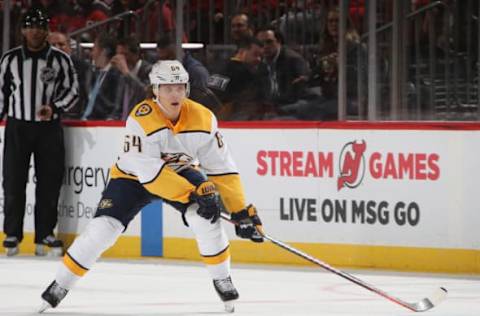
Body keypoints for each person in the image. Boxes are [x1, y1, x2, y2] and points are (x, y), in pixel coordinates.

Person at [39, 60, 264, 313]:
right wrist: (194, 192)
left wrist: (241, 211)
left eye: (180, 87)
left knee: (207, 218)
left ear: (187, 89)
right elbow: (151, 176)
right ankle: (61, 283)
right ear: (155, 90)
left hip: (180, 173)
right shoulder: (141, 119)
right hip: (132, 178)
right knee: (102, 230)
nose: (174, 93)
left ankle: (222, 277)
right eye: (167, 88)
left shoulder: (204, 118)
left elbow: (223, 169)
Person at [0, 9, 79, 256]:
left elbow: (73, 92)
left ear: (46, 30)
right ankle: (12, 234)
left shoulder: (60, 60)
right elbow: (1, 93)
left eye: (40, 26)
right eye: (30, 26)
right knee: (13, 180)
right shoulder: (10, 59)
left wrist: (54, 107)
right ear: (23, 30)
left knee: (49, 182)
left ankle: (45, 233)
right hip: (17, 126)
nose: (35, 30)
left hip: (49, 129)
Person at [208, 36, 271, 120]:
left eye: (261, 56)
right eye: (255, 54)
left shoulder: (218, 65)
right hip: (231, 118)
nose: (258, 59)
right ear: (242, 51)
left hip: (209, 115)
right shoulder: (245, 73)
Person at [48, 31, 93, 119]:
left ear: (69, 47)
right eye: (53, 45)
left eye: (61, 44)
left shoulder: (83, 67)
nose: (57, 48)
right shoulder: (41, 67)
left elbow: (87, 95)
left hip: (75, 118)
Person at [81, 33, 124, 120]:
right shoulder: (93, 73)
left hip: (104, 123)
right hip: (86, 120)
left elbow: (114, 106)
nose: (92, 53)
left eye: (94, 49)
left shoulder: (116, 75)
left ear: (104, 51)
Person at [112, 36, 152, 120]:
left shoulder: (149, 70)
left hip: (142, 120)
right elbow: (117, 105)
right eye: (118, 54)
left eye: (124, 54)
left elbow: (145, 94)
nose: (120, 59)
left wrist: (127, 72)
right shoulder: (120, 74)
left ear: (136, 55)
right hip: (121, 123)